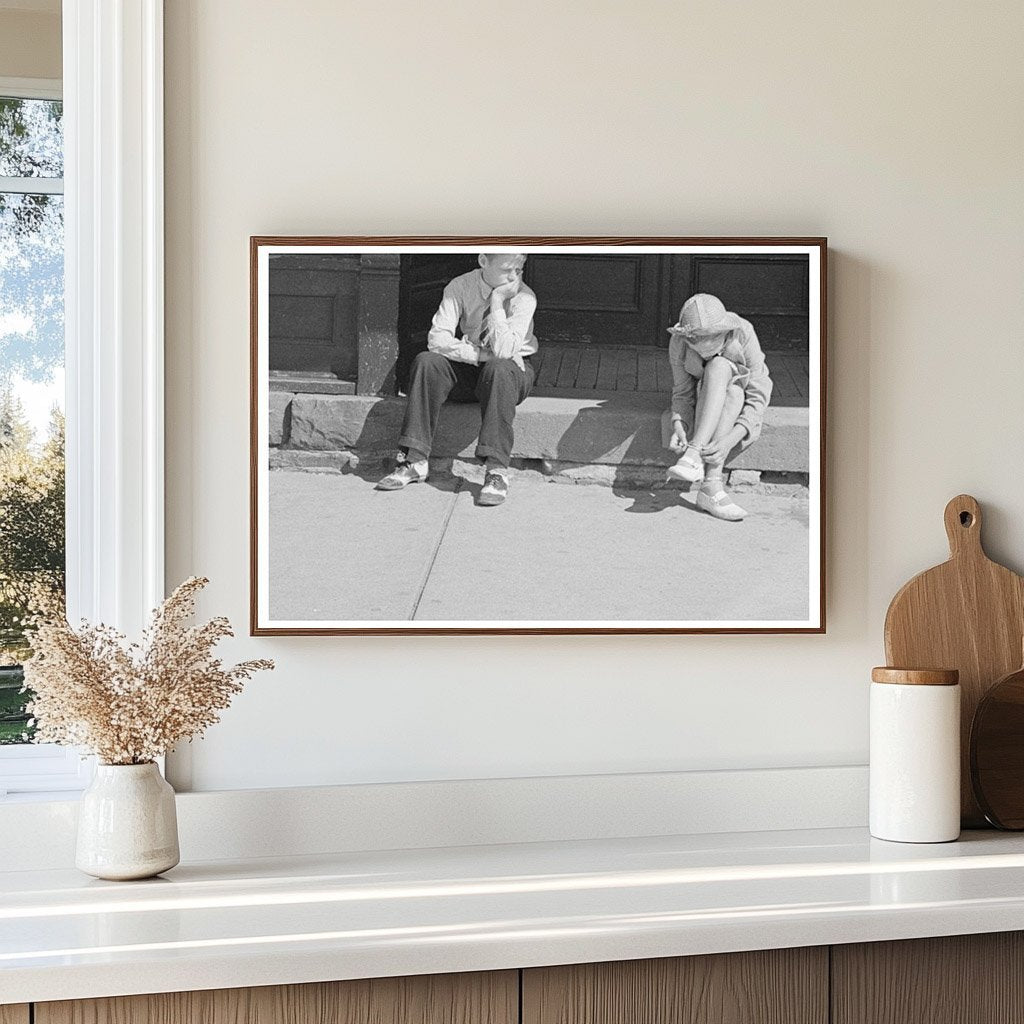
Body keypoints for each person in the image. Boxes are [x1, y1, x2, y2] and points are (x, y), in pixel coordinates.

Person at [376, 253, 538, 507]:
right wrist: (477, 355)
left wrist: (496, 301)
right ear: (483, 261)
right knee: (427, 361)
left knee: (498, 367)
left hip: (510, 375)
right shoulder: (460, 286)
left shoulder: (524, 297)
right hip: (472, 363)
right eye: (507, 269)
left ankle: (496, 470)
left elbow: (506, 351)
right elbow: (437, 339)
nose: (514, 276)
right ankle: (415, 459)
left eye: (519, 268)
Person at [663, 293, 772, 521]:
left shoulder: (743, 333)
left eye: (709, 343)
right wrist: (678, 423)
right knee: (720, 371)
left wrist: (731, 439)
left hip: (736, 403)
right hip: (702, 402)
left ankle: (695, 457)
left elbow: (759, 393)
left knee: (723, 370)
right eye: (694, 343)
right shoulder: (679, 343)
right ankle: (711, 487)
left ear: (723, 333)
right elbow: (682, 392)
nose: (699, 348)